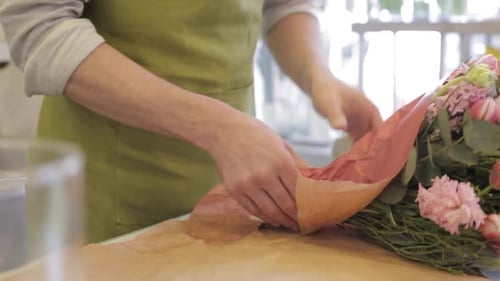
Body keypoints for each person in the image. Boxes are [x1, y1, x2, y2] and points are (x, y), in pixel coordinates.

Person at [0, 0, 382, 242]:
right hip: (106, 192)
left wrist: (317, 74)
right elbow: (40, 28)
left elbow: (284, 5)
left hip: (236, 194)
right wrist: (218, 128)